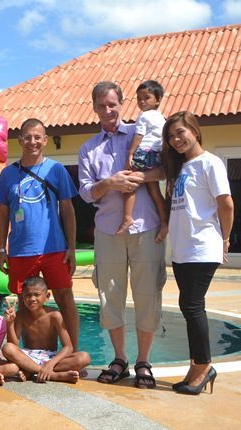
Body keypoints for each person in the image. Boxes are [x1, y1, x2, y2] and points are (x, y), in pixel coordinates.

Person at [78, 81, 167, 389]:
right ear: (94, 108)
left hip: (146, 227)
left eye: (112, 104)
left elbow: (165, 169)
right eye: (102, 105)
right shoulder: (88, 148)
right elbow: (86, 193)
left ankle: (143, 361)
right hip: (107, 230)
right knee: (110, 296)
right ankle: (119, 358)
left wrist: (140, 176)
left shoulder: (141, 131)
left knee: (148, 295)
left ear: (122, 104)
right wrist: (110, 183)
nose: (108, 110)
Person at [0, 118, 81, 350]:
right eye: (28, 137)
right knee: (25, 304)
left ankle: (73, 352)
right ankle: (27, 355)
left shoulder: (56, 170)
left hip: (54, 248)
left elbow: (68, 210)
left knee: (65, 299)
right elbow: (2, 214)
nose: (32, 142)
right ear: (20, 140)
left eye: (37, 137)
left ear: (45, 140)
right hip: (20, 250)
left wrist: (72, 248)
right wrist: (1, 249)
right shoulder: (7, 174)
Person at [162, 111, 234, 395]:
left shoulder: (210, 163)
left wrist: (225, 238)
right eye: (171, 136)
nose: (176, 139)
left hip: (202, 246)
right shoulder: (181, 167)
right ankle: (197, 366)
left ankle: (203, 366)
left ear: (194, 130)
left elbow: (226, 203)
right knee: (188, 306)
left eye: (180, 132)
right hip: (182, 248)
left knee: (192, 306)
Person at [2, 277, 91, 383]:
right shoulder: (20, 315)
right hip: (28, 357)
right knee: (7, 348)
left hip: (50, 358)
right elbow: (13, 345)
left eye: (37, 294)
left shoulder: (54, 316)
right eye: (28, 295)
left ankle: (31, 371)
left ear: (47, 296)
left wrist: (50, 364)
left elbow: (68, 347)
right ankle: (54, 375)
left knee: (84, 357)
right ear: (23, 297)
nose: (32, 299)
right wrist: (10, 323)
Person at [118, 80, 168, 240]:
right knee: (154, 191)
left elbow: (139, 135)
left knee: (128, 183)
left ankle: (127, 217)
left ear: (158, 100)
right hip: (156, 155)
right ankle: (164, 222)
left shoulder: (144, 116)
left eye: (146, 98)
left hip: (143, 153)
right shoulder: (162, 118)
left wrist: (130, 153)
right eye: (139, 98)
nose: (142, 102)